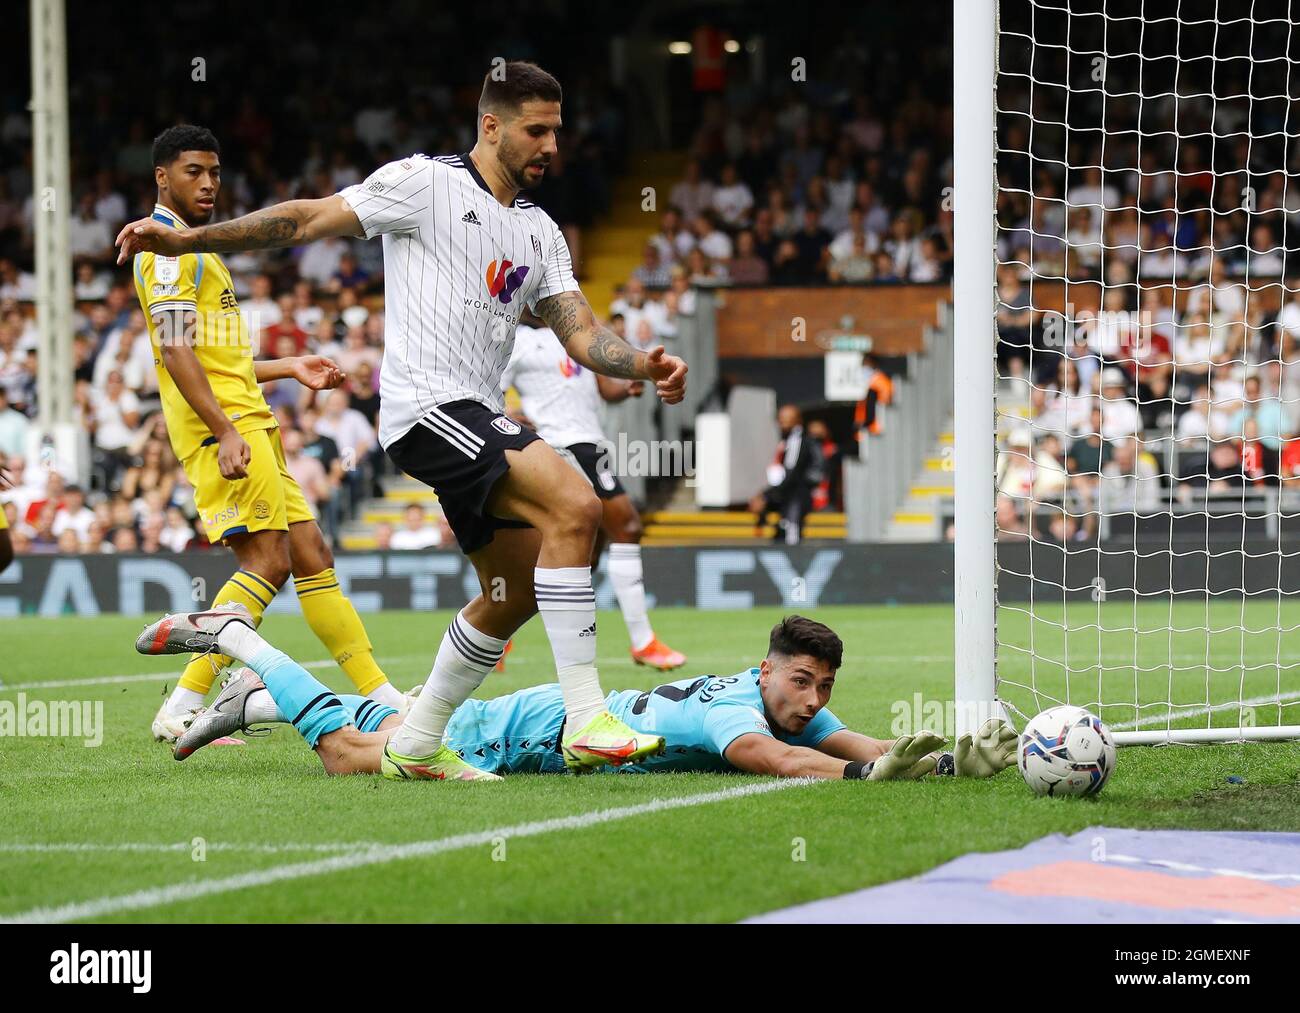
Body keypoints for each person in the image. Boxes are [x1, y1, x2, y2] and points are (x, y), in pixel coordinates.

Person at [116, 62, 689, 781]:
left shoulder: (541, 232)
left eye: (556, 131)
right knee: (579, 502)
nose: (551, 145)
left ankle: (415, 740)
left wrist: (641, 364)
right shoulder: (425, 184)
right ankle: (587, 719)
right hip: (427, 408)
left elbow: (580, 332)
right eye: (536, 130)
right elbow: (307, 218)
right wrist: (189, 240)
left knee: (509, 592)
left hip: (475, 414)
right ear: (492, 125)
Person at [122, 124, 405, 743]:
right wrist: (223, 429)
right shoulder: (163, 251)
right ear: (162, 178)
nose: (208, 184)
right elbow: (173, 350)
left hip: (251, 423)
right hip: (222, 431)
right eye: (193, 171)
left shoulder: (197, 249)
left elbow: (215, 357)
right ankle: (186, 700)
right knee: (268, 561)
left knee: (311, 556)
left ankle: (380, 695)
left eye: (215, 172)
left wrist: (289, 368)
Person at [138, 608, 1017, 783]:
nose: (811, 699)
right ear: (764, 669)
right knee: (342, 752)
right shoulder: (735, 715)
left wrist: (940, 759)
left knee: (371, 724)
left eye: (820, 687)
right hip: (518, 732)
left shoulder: (782, 697)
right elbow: (781, 759)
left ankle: (253, 700)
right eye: (800, 680)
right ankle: (237, 638)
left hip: (542, 731)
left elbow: (847, 740)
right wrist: (872, 779)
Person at [503, 321, 687, 669]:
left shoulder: (575, 333)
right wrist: (508, 416)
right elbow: (491, 388)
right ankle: (643, 641)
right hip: (563, 444)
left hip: (592, 443)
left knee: (586, 558)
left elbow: (603, 388)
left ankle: (498, 632)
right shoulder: (518, 339)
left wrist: (628, 386)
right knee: (628, 526)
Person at [750, 405, 823, 545]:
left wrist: (766, 495)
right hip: (787, 497)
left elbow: (792, 473)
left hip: (795, 497)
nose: (782, 423)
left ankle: (793, 562)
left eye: (787, 419)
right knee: (782, 532)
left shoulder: (797, 440)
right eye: (781, 419)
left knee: (791, 535)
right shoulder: (786, 441)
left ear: (797, 421)